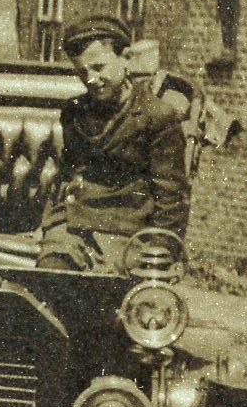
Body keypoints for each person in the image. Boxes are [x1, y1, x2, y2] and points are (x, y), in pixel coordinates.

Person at [37, 14, 189, 273]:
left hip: (127, 232)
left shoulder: (158, 117)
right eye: (82, 72)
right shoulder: (74, 112)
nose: (91, 79)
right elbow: (68, 176)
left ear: (126, 59)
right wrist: (51, 223)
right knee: (51, 273)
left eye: (99, 67)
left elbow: (170, 196)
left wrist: (159, 254)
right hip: (74, 227)